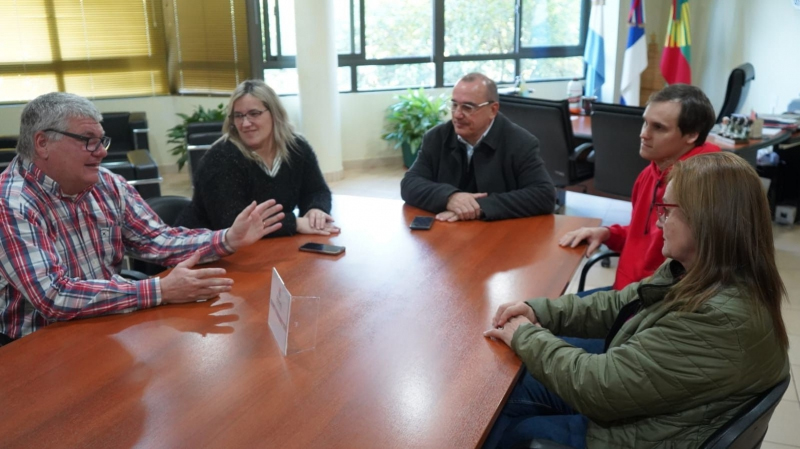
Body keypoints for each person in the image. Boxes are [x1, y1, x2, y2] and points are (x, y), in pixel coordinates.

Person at [483, 152, 790, 449]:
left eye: (667, 211)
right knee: (517, 387)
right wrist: (542, 312)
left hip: (643, 435)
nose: (658, 224)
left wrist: (525, 335)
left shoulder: (719, 319)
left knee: (517, 427)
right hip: (654, 413)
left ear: (706, 222)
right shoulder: (694, 271)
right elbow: (618, 304)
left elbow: (598, 388)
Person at [0, 92, 286, 340]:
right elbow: (54, 296)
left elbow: (157, 239)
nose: (100, 153)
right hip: (40, 346)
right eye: (88, 140)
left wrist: (227, 238)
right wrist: (159, 290)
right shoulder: (10, 203)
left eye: (102, 141)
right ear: (42, 143)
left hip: (108, 323)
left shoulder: (106, 184)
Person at [559, 84, 719, 291]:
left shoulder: (703, 188)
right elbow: (644, 236)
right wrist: (607, 233)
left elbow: (696, 272)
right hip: (626, 293)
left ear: (692, 136)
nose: (644, 134)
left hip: (653, 307)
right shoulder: (649, 173)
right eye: (645, 123)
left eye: (658, 127)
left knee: (542, 316)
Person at [176, 79, 339, 236]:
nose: (245, 123)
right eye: (238, 116)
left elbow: (317, 190)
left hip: (264, 246)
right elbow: (231, 223)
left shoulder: (297, 148)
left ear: (275, 114)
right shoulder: (220, 158)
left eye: (254, 113)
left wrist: (315, 209)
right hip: (202, 249)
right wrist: (294, 224)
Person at [400, 73, 555, 221]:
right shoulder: (437, 137)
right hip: (449, 232)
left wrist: (478, 207)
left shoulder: (520, 142)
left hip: (499, 233)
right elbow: (410, 184)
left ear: (493, 110)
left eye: (468, 107)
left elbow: (544, 196)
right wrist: (450, 197)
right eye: (454, 105)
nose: (457, 114)